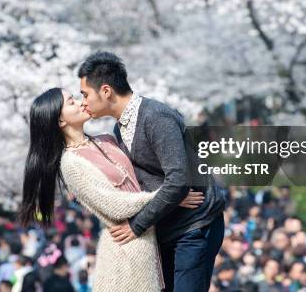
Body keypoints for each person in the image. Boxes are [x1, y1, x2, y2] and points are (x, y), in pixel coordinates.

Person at [17, 87, 203, 291]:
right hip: (125, 250)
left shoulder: (107, 139)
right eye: (71, 102)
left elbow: (142, 176)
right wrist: (168, 196)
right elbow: (115, 205)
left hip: (149, 236)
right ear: (61, 121)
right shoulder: (71, 163)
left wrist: (167, 196)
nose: (81, 102)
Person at [77, 51, 226, 291]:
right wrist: (170, 196)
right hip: (167, 226)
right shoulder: (120, 129)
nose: (83, 101)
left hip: (194, 225)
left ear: (106, 91)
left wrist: (137, 225)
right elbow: (155, 182)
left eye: (85, 94)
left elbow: (177, 179)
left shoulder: (156, 117)